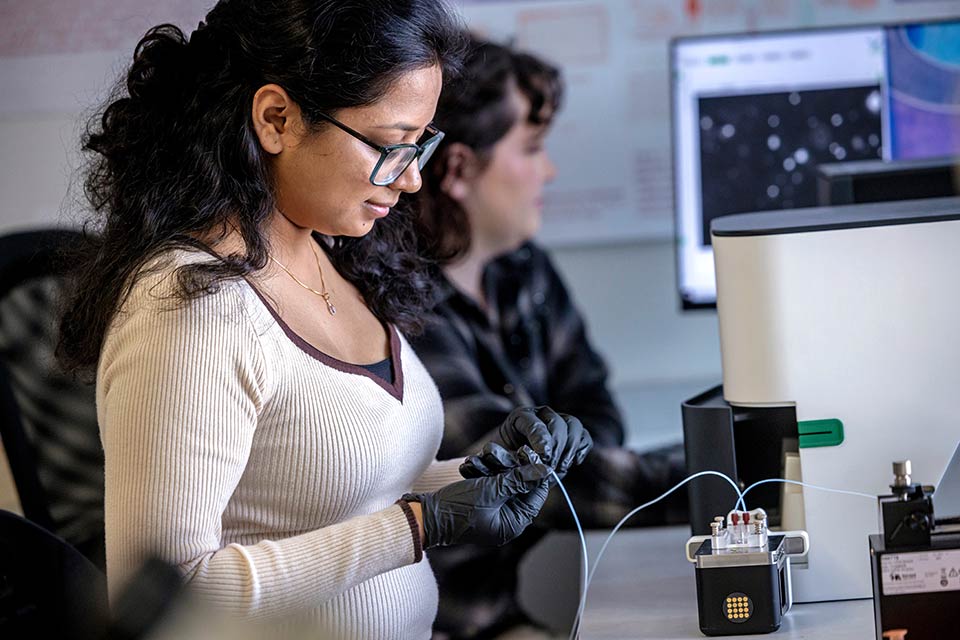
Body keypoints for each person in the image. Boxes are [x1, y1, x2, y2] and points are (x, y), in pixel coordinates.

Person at [55, 3, 593, 638]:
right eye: (393, 145)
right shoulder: (189, 309)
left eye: (422, 144)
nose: (414, 179)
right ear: (277, 119)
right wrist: (419, 526)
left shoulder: (329, 249)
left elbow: (340, 487)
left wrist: (485, 472)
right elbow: (168, 595)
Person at [410, 36, 688, 639]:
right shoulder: (399, 310)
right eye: (532, 148)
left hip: (511, 610)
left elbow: (597, 408)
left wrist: (571, 458)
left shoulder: (522, 269)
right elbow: (527, 480)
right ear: (458, 169)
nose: (550, 170)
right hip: (455, 627)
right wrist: (721, 469)